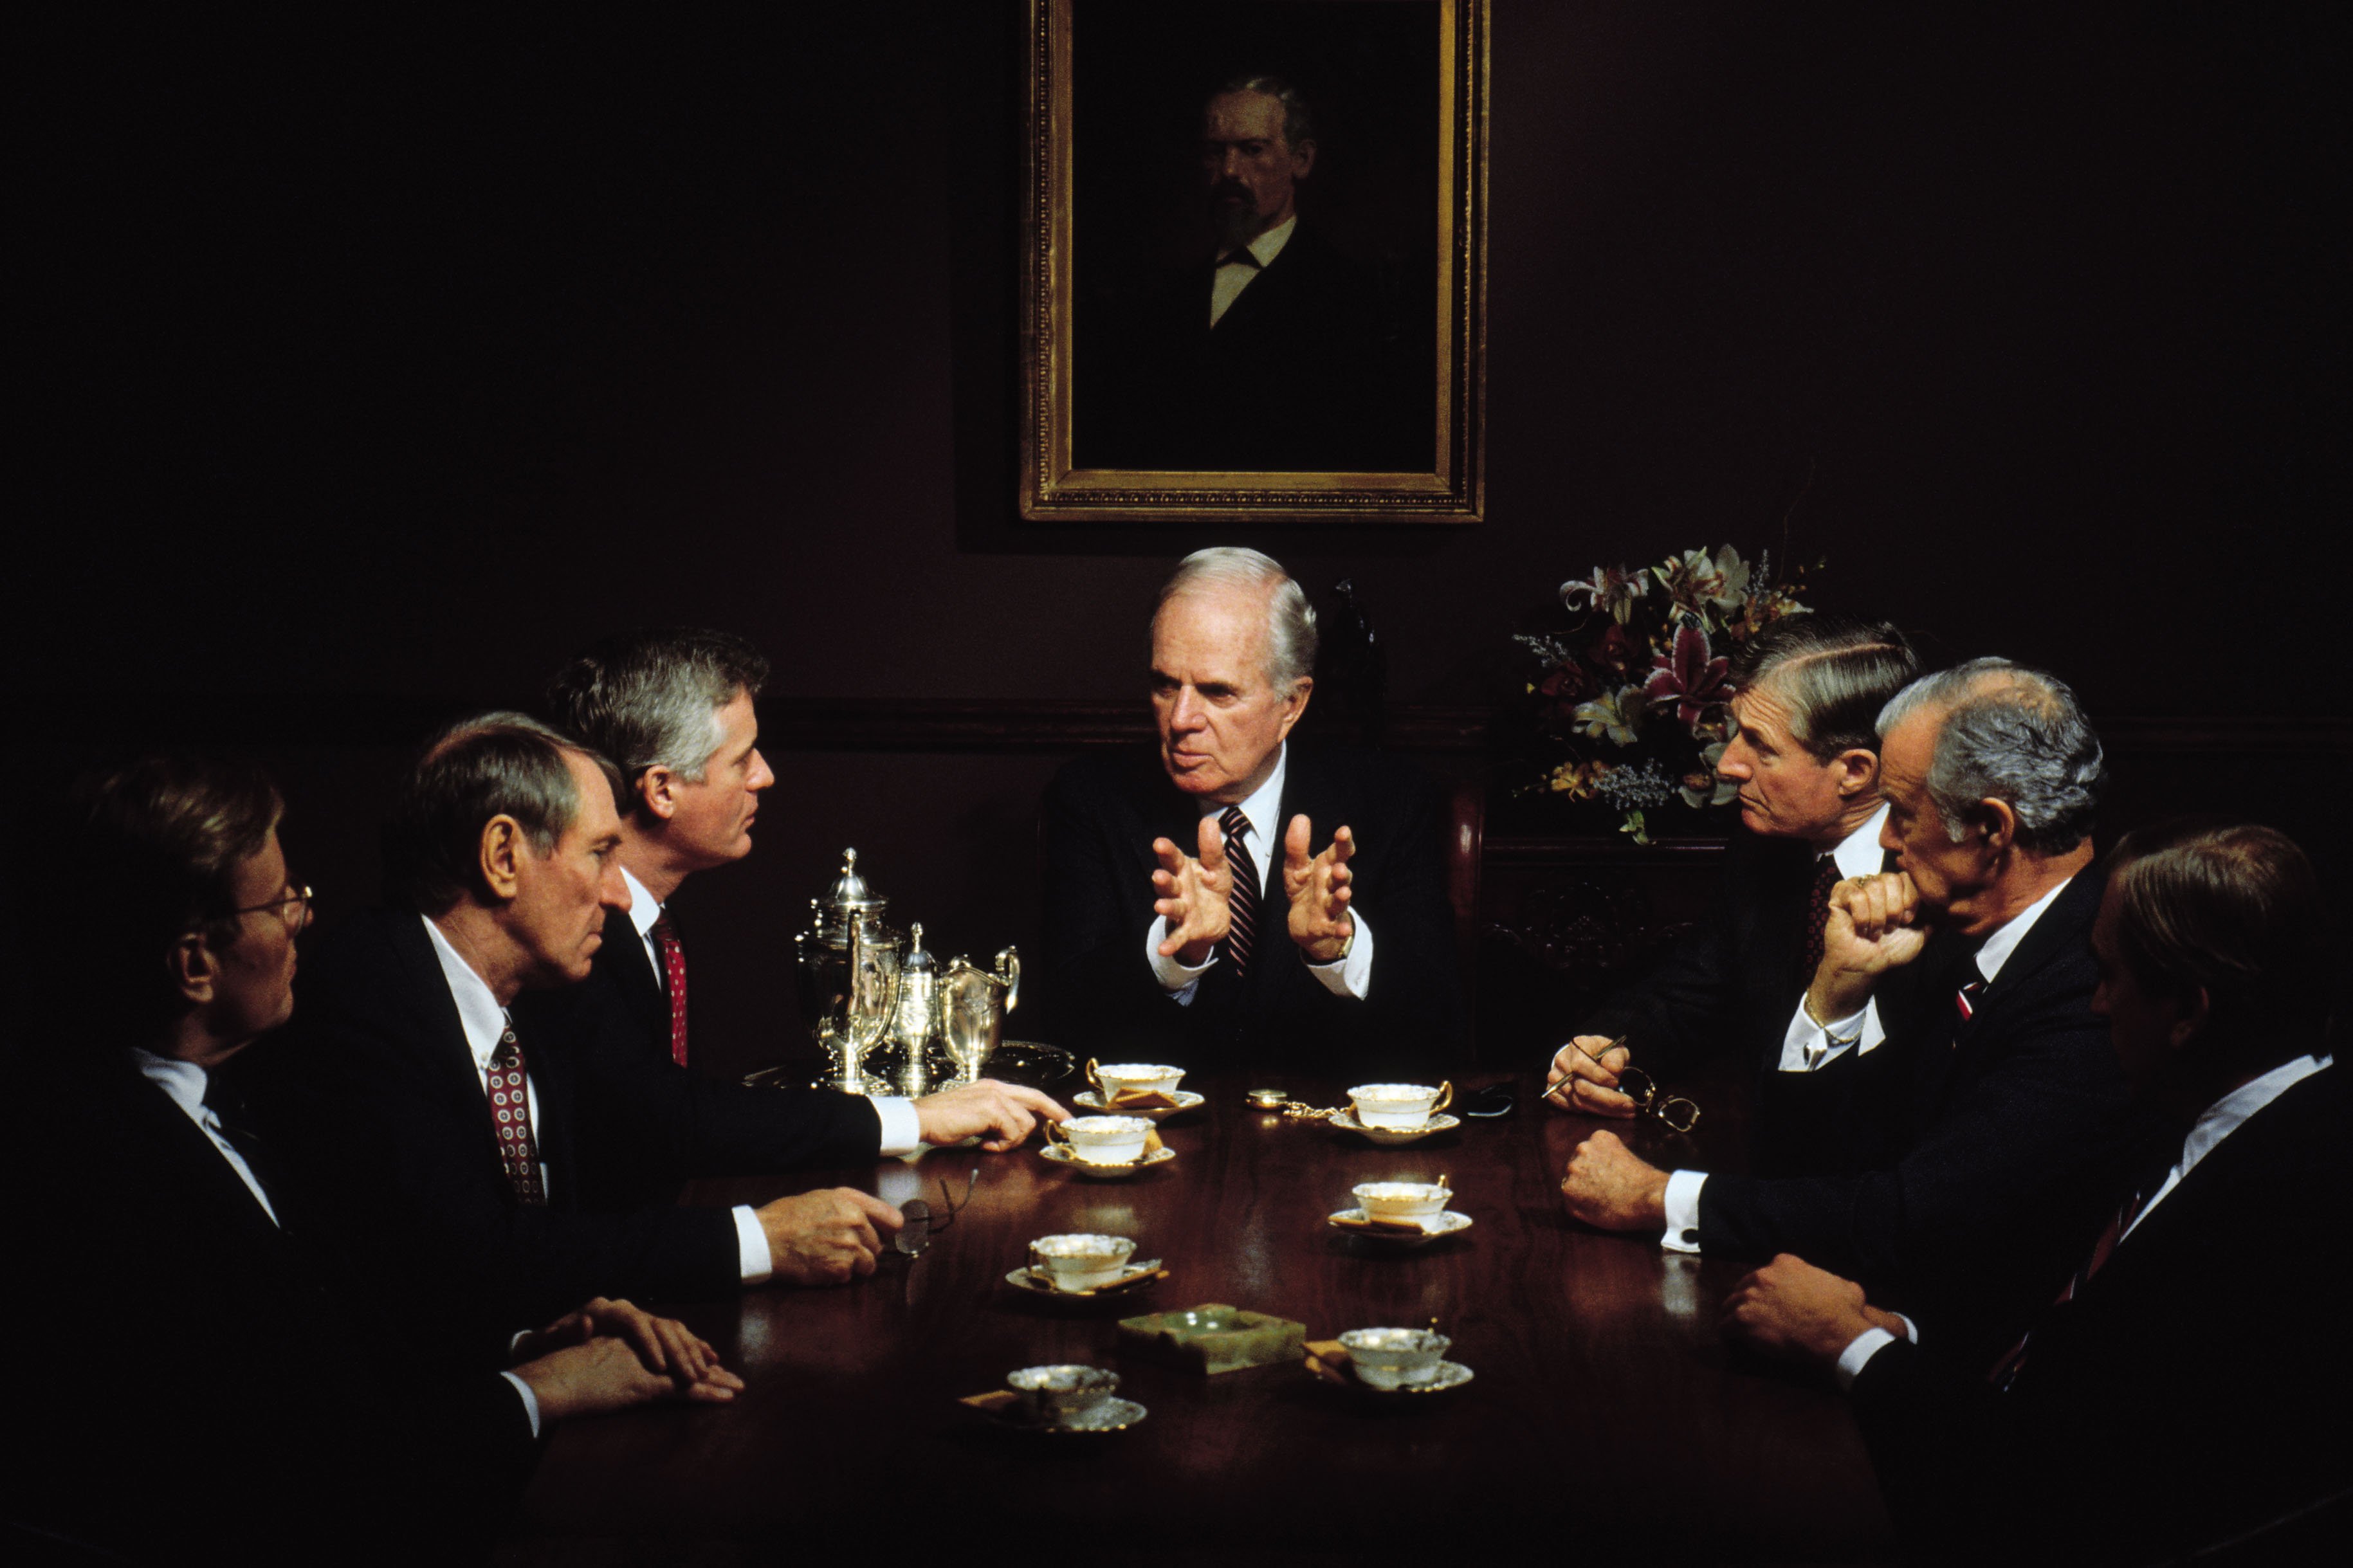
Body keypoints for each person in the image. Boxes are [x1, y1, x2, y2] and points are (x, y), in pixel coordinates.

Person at [2, 754, 740, 1564]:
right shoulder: (95, 1181)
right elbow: (289, 1472)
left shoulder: (228, 1098)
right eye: (281, 901)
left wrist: (528, 1343)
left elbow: (339, 1350)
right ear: (195, 964)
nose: (303, 918)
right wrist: (539, 1389)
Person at [255, 713, 1065, 1357]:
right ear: (504, 856)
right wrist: (758, 1238)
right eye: (602, 853)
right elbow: (474, 1258)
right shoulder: (366, 998)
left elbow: (648, 1128)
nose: (618, 895)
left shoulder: (520, 985)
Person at [1721, 823, 2348, 1564]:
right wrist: (1902, 1335)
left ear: (2189, 1012)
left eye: (2109, 976)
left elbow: (2073, 1480)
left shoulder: (2293, 1207)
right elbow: (2062, 1341)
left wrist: (1850, 1346)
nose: (2094, 1006)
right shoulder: (2212, 1105)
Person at [1559, 659, 2137, 1368]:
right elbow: (1819, 1165)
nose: (1887, 840)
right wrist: (1837, 990)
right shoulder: (1974, 931)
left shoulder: (2096, 980)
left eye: (1904, 812)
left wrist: (1661, 1198)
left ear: (1991, 828)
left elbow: (1914, 1215)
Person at [531, 628, 1057, 1207]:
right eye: (741, 759)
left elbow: (684, 1115)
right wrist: (913, 1119)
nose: (765, 775)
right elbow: (670, 1124)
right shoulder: (573, 938)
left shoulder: (655, 922)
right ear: (661, 790)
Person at [1038, 547, 1458, 1076]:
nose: (1181, 719)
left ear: (1292, 704)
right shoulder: (1091, 798)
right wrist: (1174, 957)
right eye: (1165, 686)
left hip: (1325, 1146)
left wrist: (1337, 952)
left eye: (1217, 692)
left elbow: (1442, 1032)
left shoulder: (1391, 802)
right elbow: (1058, 1032)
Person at [1544, 616, 1918, 1176]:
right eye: (1736, 731)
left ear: (1856, 771)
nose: (1727, 764)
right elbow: (1688, 994)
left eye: (1761, 746)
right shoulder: (1764, 847)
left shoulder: (1937, 878)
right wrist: (1603, 1050)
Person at [1079, 75, 1425, 471]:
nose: (1228, 170)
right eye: (1214, 152)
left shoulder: (1352, 294)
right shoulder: (1162, 296)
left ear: (1302, 160)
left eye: (1252, 149)